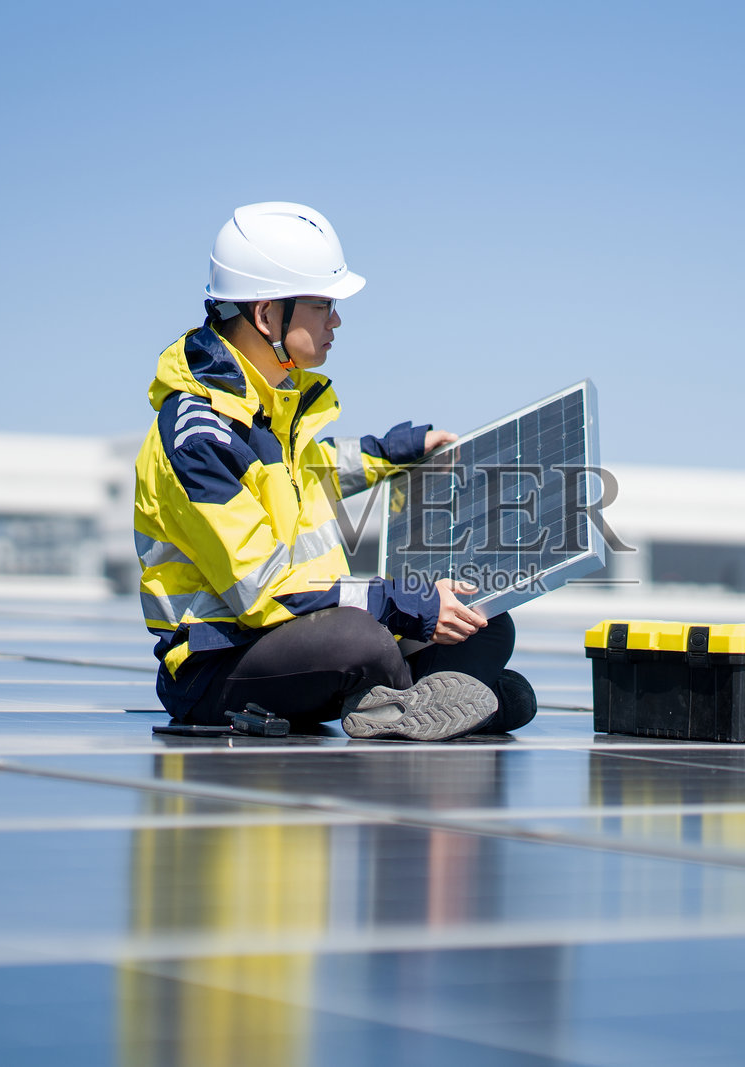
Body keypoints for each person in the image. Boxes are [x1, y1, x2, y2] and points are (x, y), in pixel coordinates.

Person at [133, 202, 536, 740]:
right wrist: (401, 602)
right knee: (360, 639)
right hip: (218, 664)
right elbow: (264, 589)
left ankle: (405, 704)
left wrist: (395, 451)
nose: (337, 321)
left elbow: (318, 471)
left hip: (290, 638)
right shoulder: (199, 436)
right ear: (266, 315)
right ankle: (438, 703)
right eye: (324, 305)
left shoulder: (271, 407)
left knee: (483, 620)